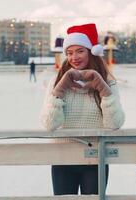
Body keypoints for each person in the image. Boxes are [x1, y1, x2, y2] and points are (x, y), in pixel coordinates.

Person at [41, 23, 125, 195]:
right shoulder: (56, 82)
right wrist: (59, 90)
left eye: (80, 51)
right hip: (63, 159)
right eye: (69, 53)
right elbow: (49, 124)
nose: (74, 57)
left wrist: (104, 90)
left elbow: (114, 123)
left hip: (95, 159)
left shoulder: (108, 82)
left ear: (91, 52)